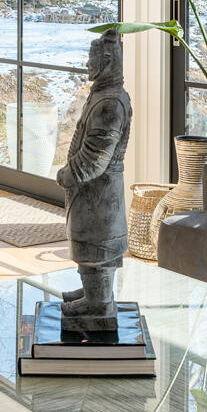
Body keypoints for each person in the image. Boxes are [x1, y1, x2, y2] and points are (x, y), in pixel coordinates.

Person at [56, 28, 132, 332]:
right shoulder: (105, 95)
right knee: (90, 248)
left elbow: (96, 156)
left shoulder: (110, 102)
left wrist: (70, 173)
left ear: (109, 60)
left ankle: (98, 302)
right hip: (95, 196)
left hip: (98, 195)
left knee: (96, 247)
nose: (88, 64)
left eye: (93, 58)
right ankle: (95, 293)